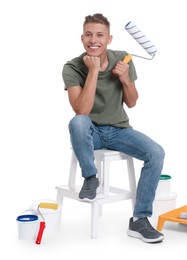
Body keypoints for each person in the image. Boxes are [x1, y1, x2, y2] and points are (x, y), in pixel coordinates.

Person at [62, 13, 165, 243]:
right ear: (82, 38)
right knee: (77, 122)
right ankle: (90, 178)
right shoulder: (72, 67)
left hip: (119, 130)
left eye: (100, 35)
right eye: (89, 34)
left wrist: (126, 79)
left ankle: (139, 220)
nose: (94, 40)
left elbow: (132, 102)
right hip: (91, 133)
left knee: (156, 152)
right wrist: (93, 71)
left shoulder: (123, 60)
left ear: (109, 39)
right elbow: (82, 111)